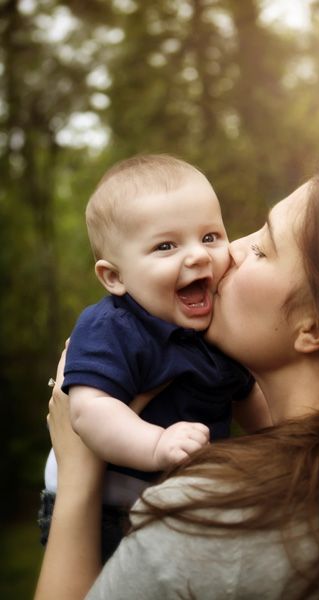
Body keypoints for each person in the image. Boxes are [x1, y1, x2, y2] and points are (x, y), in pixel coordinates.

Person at [35, 163, 319, 599]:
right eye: (167, 245)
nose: (226, 253)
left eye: (262, 249)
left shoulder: (197, 526)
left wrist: (78, 473)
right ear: (112, 276)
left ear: (313, 328)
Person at [39, 154, 269, 561]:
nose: (198, 256)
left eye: (211, 237)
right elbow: (89, 411)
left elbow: (247, 396)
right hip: (108, 504)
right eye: (166, 246)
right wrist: (156, 443)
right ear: (115, 277)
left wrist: (281, 437)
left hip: (178, 501)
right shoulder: (114, 327)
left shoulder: (215, 323)